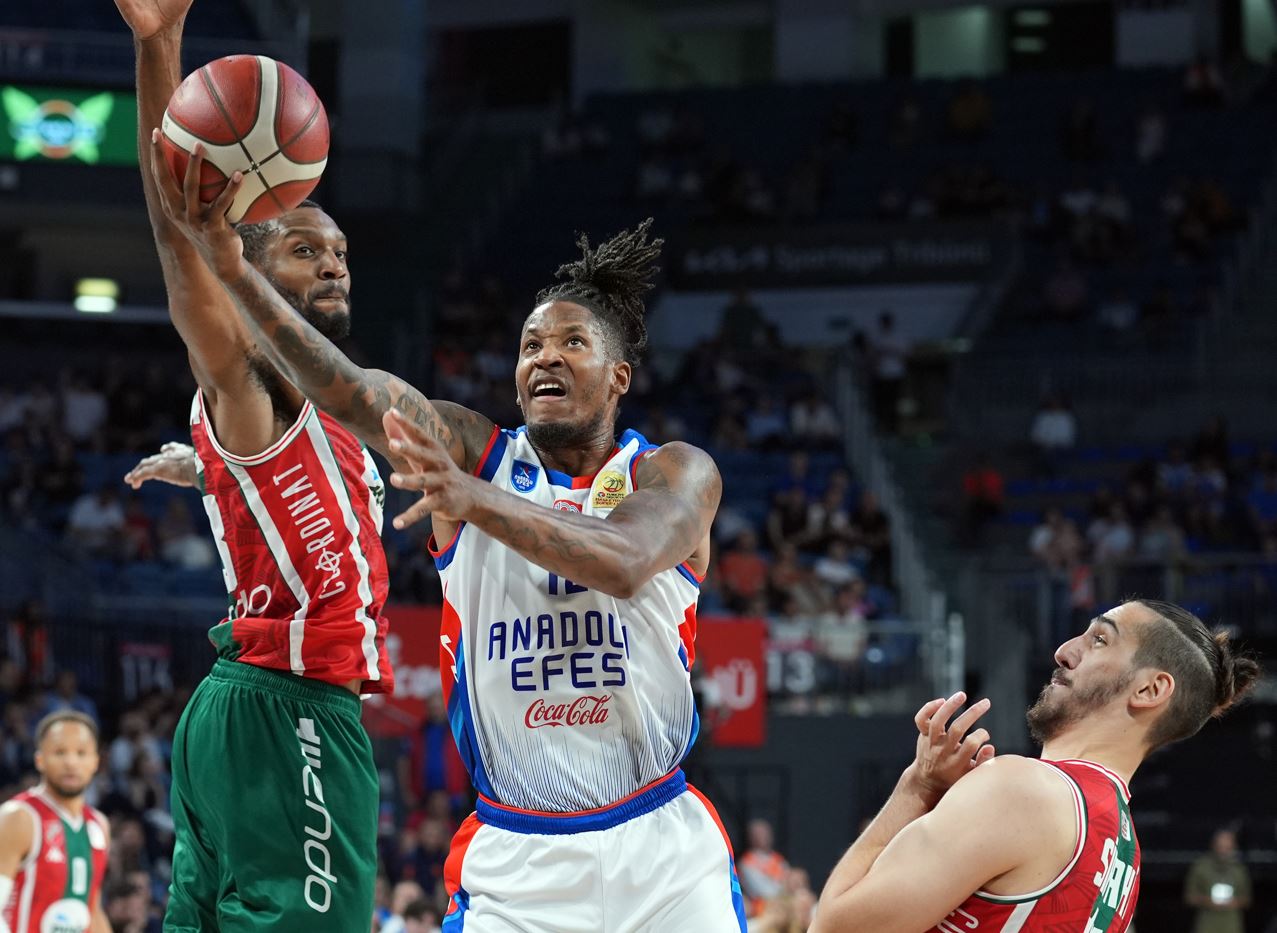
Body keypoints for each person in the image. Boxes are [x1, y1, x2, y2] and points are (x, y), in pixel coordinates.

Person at [148, 127, 740, 930]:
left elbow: (628, 559)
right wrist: (229, 271)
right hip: (516, 854)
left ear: (619, 376)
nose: (544, 358)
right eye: (530, 343)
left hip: (662, 847)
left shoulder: (671, 471)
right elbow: (348, 391)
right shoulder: (463, 442)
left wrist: (469, 498)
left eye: (572, 342)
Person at [114, 0, 396, 928]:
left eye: (343, 252)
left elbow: (281, 490)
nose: (337, 265)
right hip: (292, 709)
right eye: (306, 248)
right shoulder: (257, 383)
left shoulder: (341, 403)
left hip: (245, 713)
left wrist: (210, 472)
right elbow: (177, 243)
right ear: (249, 257)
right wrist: (162, 47)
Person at [811, 598, 1260, 932]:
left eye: (1099, 639)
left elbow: (832, 928)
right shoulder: (1124, 854)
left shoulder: (1024, 790)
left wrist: (918, 787)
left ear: (1148, 691)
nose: (1064, 651)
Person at [0, 711, 110, 933]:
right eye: (60, 752)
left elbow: (92, 910)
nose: (71, 762)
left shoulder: (99, 824)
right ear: (39, 759)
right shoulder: (18, 817)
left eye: (81, 753)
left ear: (95, 761)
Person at [1184, 828, 1251, 933]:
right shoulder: (1201, 867)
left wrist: (1233, 902)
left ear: (1234, 847)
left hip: (1231, 925)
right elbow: (1189, 897)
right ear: (1213, 845)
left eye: (1228, 847)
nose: (1224, 851)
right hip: (1207, 924)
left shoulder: (1239, 870)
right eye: (1221, 846)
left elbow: (1247, 899)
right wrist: (1207, 901)